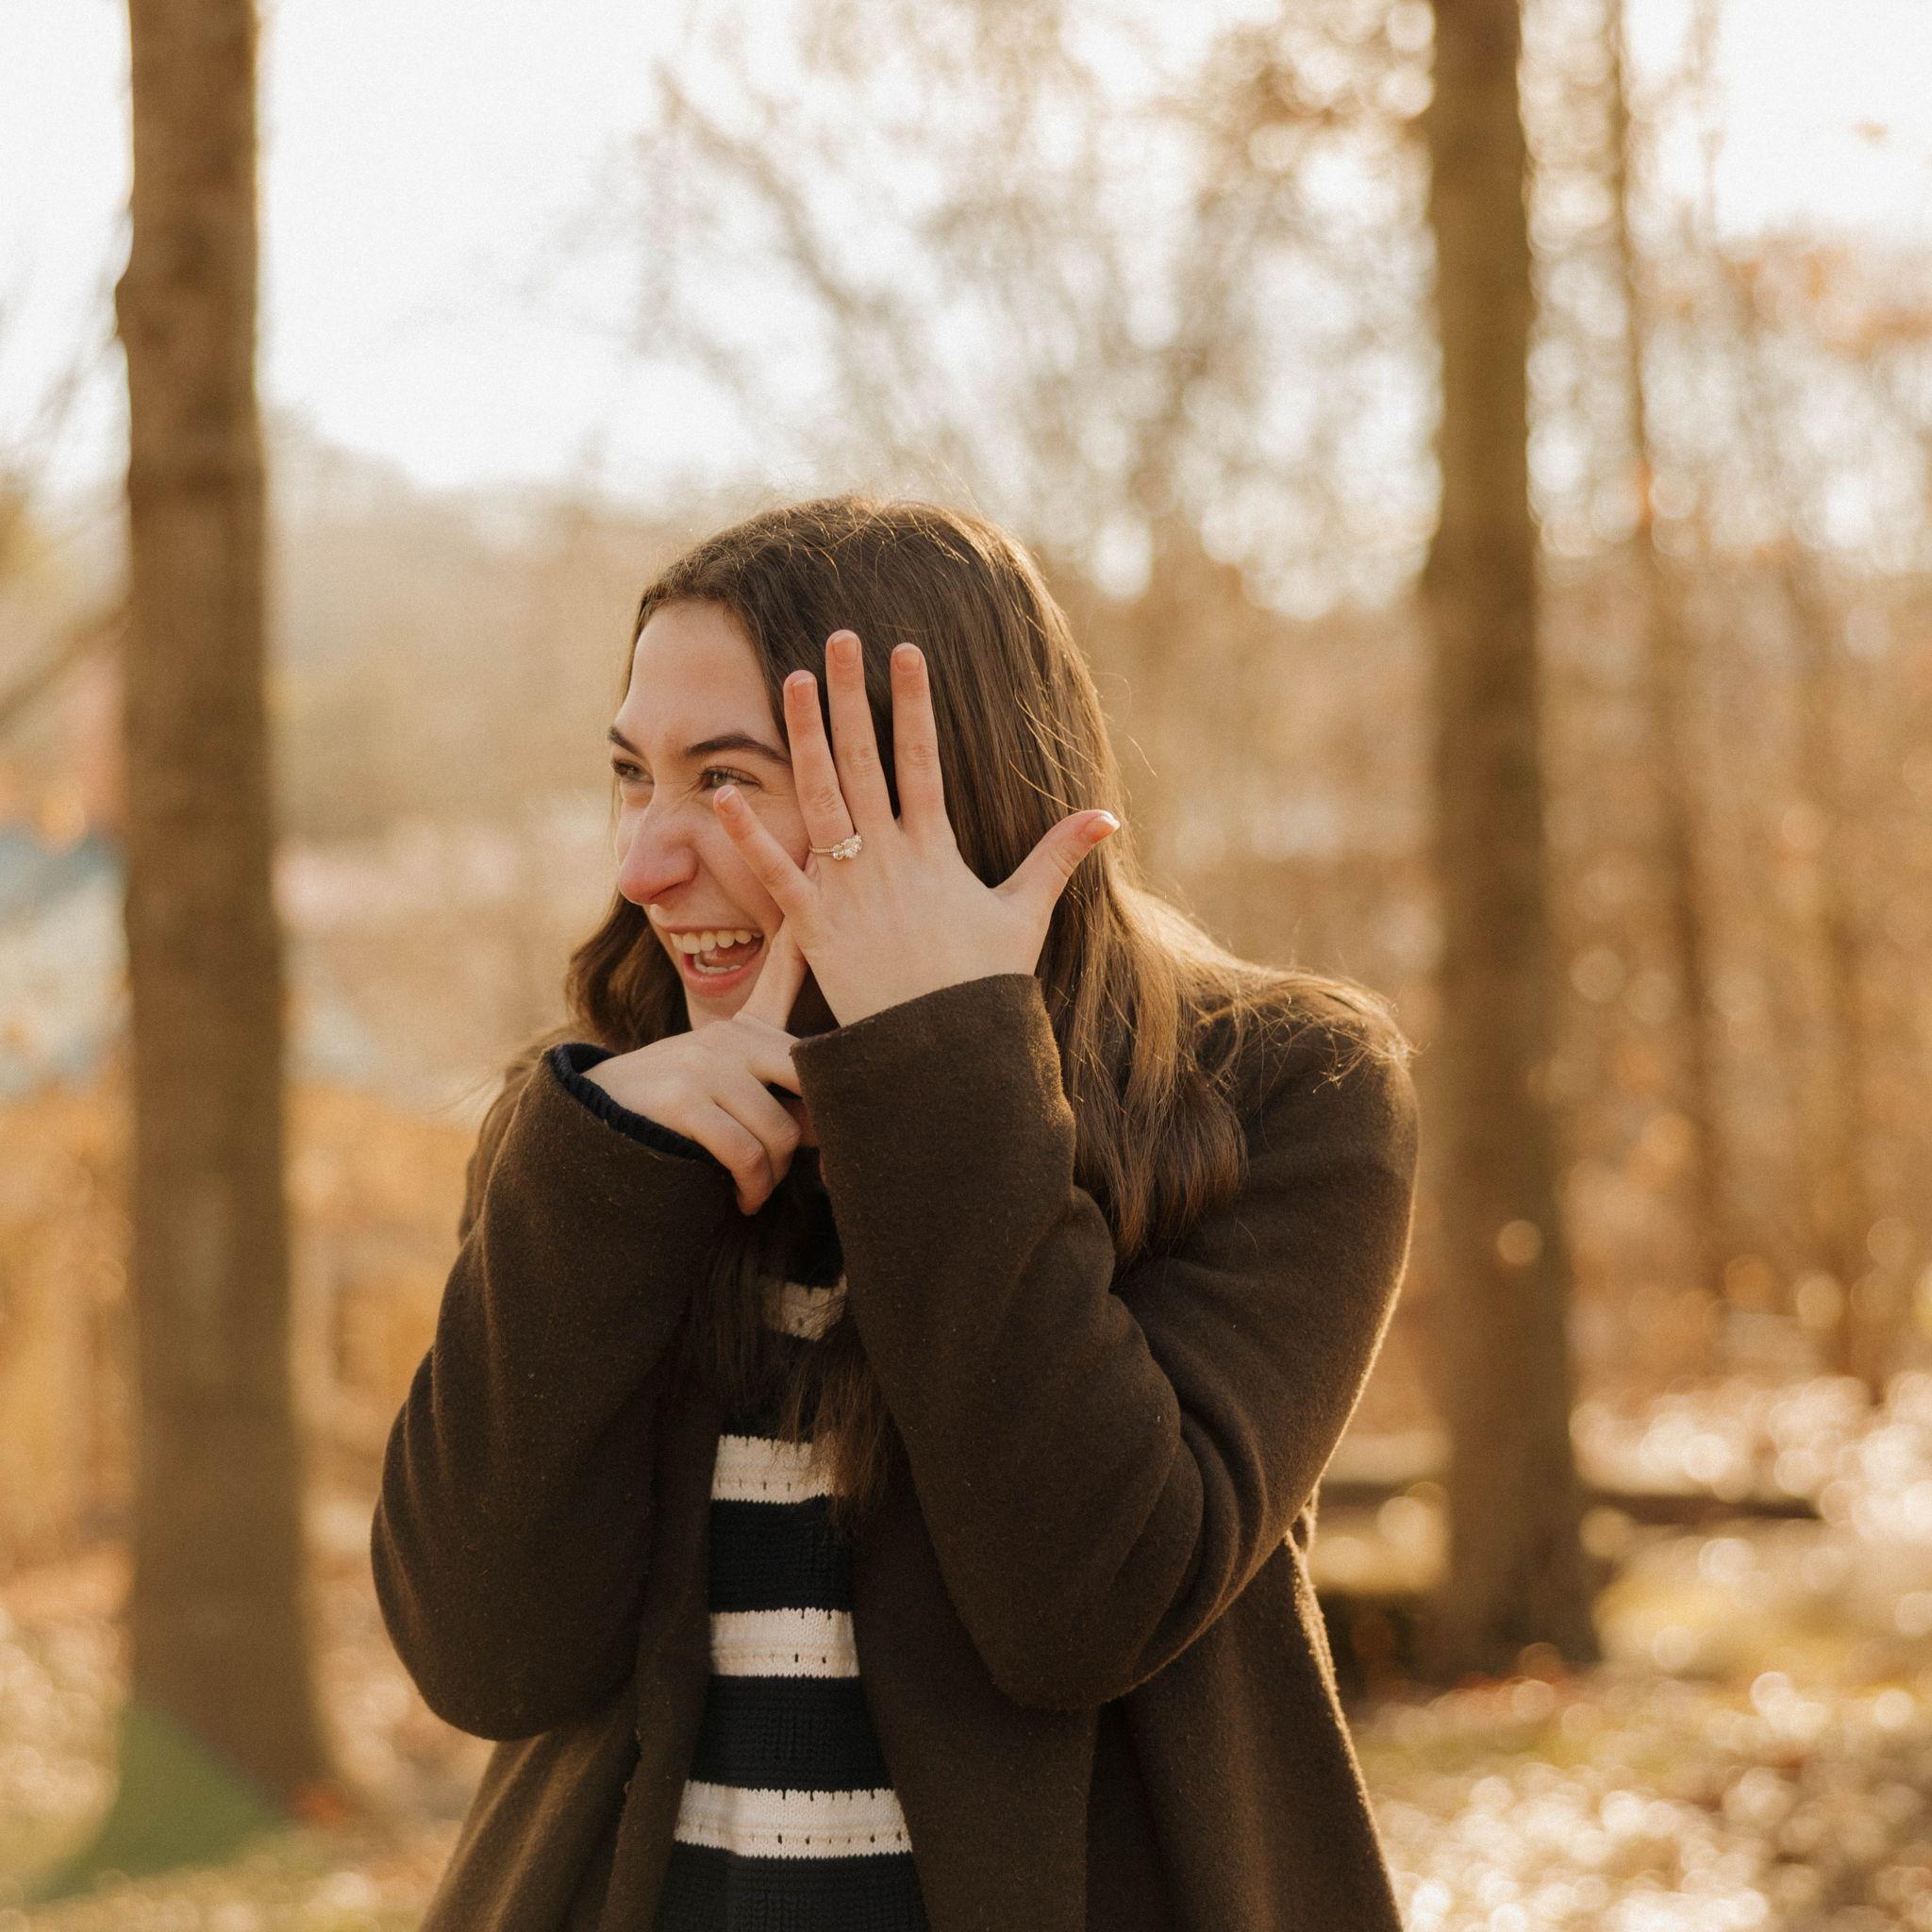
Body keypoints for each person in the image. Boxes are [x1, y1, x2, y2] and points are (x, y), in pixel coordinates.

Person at [371, 493, 1423, 1932]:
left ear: (942, 790)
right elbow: (484, 1661)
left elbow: (1087, 1608)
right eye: (633, 777)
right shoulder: (609, 1130)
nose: (645, 866)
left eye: (727, 780)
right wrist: (597, 1190)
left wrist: (937, 1065)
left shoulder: (1283, 1093)